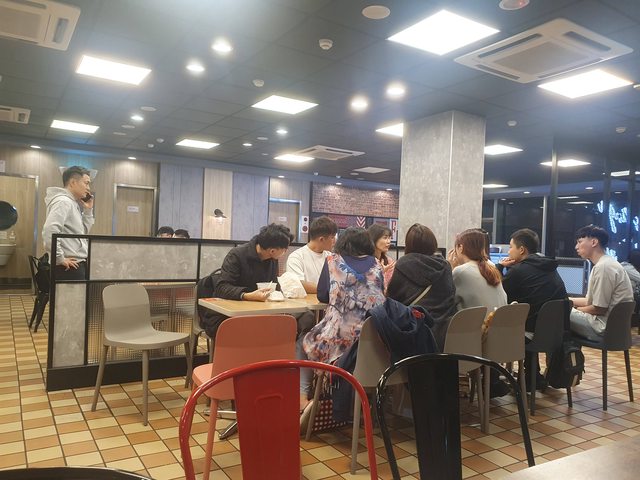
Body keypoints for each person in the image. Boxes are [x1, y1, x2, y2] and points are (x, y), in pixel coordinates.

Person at [298, 227, 385, 407]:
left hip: (339, 341)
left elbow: (323, 295)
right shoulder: (377, 265)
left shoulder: (333, 261)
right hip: (373, 340)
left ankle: (303, 399)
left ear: (342, 243)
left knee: (303, 342)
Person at [499, 228, 567, 390]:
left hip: (531, 334)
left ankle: (494, 378)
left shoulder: (518, 271)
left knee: (499, 327)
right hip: (556, 333)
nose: (508, 251)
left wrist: (499, 268)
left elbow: (500, 295)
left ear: (521, 250)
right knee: (531, 318)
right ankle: (532, 376)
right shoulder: (550, 268)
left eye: (511, 247)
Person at [199, 223, 294, 338]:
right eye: (285, 249)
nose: (285, 252)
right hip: (225, 315)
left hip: (257, 312)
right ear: (272, 251)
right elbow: (222, 288)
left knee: (288, 324)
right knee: (256, 332)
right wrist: (247, 295)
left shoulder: (272, 259)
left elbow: (274, 285)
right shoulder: (237, 255)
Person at [449, 228, 509, 397]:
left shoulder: (461, 271)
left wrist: (451, 267)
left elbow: (447, 302)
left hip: (477, 341)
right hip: (501, 338)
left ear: (460, 248)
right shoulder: (491, 266)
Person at [386, 223, 456, 350]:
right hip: (445, 334)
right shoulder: (445, 266)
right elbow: (451, 296)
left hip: (414, 333)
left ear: (409, 244)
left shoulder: (403, 264)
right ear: (433, 243)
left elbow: (392, 301)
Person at [569, 225, 633, 341]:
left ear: (594, 242)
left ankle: (563, 351)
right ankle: (570, 351)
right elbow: (589, 301)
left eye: (579, 242)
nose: (576, 247)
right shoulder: (607, 263)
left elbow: (599, 309)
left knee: (557, 313)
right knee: (561, 310)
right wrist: (567, 300)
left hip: (602, 328)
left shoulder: (603, 267)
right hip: (615, 327)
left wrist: (573, 308)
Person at [42, 166, 94, 280]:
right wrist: (60, 258)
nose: (88, 188)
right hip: (68, 267)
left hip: (74, 264)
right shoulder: (63, 202)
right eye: (86, 183)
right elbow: (49, 230)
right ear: (73, 182)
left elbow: (81, 234)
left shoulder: (71, 203)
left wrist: (88, 211)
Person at [286, 216, 337, 293]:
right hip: (306, 300)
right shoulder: (296, 257)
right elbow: (298, 284)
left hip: (327, 300)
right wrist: (328, 289)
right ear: (321, 239)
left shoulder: (331, 256)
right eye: (332, 237)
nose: (335, 241)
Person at [367, 223, 395, 289]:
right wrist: (380, 272)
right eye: (385, 238)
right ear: (374, 238)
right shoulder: (365, 260)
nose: (389, 241)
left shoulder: (389, 261)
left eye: (390, 238)